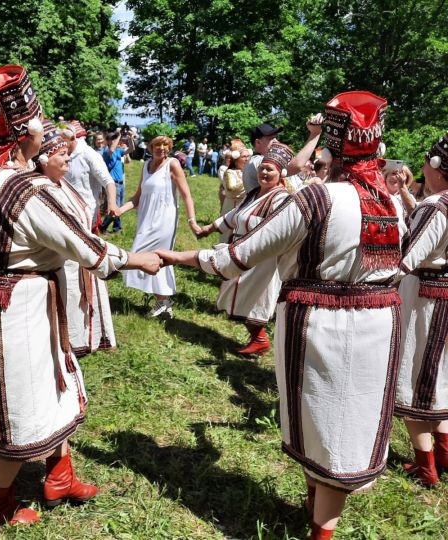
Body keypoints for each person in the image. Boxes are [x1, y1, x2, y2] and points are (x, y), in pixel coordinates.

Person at [157, 91, 405, 540]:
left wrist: (178, 256)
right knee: (347, 419)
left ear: (332, 146)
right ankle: (318, 509)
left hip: (320, 323)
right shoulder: (391, 205)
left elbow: (242, 255)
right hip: (380, 322)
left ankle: (320, 528)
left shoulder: (316, 200)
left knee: (322, 414)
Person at [0, 65, 161, 526]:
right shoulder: (30, 189)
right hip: (18, 306)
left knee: (56, 380)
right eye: (40, 123)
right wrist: (136, 260)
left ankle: (60, 473)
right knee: (18, 399)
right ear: (26, 133)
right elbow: (84, 246)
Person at [196, 143, 293, 356]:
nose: (264, 173)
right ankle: (259, 339)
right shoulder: (254, 193)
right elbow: (234, 216)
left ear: (280, 174)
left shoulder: (281, 198)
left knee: (254, 299)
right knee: (237, 296)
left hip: (263, 258)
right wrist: (208, 228)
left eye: (270, 170)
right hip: (241, 252)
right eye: (262, 168)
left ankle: (260, 340)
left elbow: (280, 230)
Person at [392, 135, 448, 488]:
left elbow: (409, 258)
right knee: (441, 375)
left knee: (414, 377)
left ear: (437, 167)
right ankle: (443, 454)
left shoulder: (434, 207)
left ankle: (426, 466)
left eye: (428, 160)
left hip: (425, 297)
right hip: (442, 292)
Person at [119, 134, 202, 319]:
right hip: (145, 219)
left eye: (165, 145)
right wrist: (119, 210)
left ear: (169, 148)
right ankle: (163, 302)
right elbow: (137, 198)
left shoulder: (172, 164)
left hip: (164, 220)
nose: (161, 148)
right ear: (150, 147)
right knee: (142, 257)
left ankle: (163, 302)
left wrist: (192, 221)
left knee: (157, 258)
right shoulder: (145, 166)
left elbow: (186, 195)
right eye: (157, 145)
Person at [59, 120, 118, 356]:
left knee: (87, 271)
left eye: (65, 141)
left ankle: (93, 329)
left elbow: (108, 181)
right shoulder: (63, 155)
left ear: (74, 139)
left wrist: (112, 203)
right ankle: (73, 326)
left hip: (86, 220)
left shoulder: (88, 154)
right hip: (65, 217)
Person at [243, 119, 323, 192]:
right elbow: (297, 165)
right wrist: (315, 134)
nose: (276, 141)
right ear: (258, 143)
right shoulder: (256, 161)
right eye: (271, 138)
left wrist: (309, 183)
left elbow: (294, 188)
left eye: (275, 137)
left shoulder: (259, 161)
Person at [99, 131, 130, 234]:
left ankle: (117, 227)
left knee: (119, 207)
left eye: (114, 138)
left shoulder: (118, 151)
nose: (113, 141)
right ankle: (104, 226)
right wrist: (119, 135)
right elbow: (112, 148)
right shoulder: (107, 151)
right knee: (115, 208)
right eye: (111, 139)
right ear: (107, 141)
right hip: (113, 184)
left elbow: (131, 150)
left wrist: (131, 139)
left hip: (120, 183)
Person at [219, 141, 251, 240]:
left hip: (246, 207)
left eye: (248, 156)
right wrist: (249, 180)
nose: (247, 159)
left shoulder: (250, 172)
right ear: (236, 160)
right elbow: (232, 189)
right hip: (232, 207)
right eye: (244, 157)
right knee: (228, 234)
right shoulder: (230, 172)